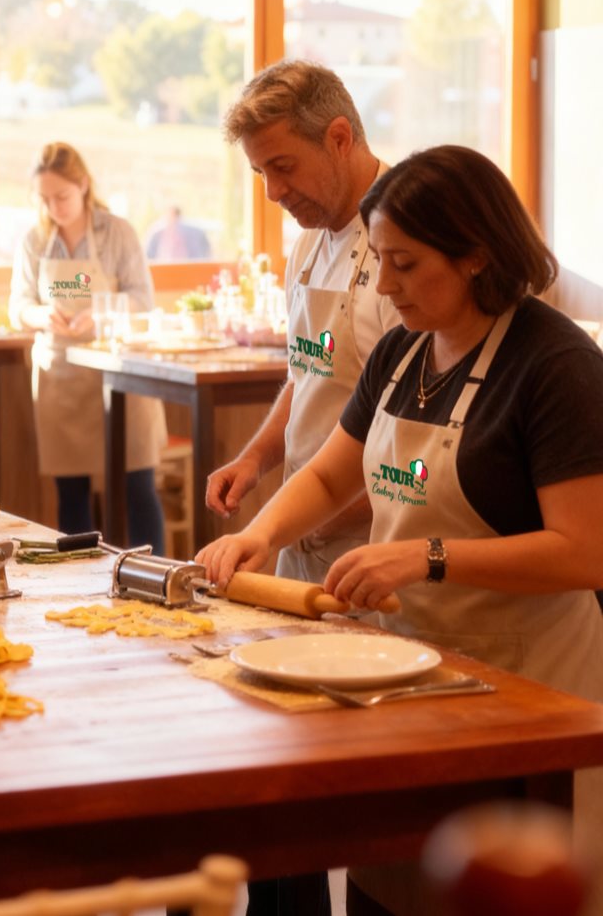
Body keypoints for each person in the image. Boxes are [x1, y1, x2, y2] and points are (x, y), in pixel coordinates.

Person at [195, 145, 603, 916]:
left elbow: (586, 549)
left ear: (477, 254)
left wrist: (431, 555)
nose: (384, 284)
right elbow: (326, 473)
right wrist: (259, 533)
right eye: (379, 260)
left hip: (531, 697)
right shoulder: (401, 349)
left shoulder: (555, 366)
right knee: (395, 891)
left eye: (406, 264)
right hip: (415, 681)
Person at [206, 60, 399, 586]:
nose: (271, 191)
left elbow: (414, 436)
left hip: (379, 547)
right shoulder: (308, 243)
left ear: (339, 138)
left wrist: (303, 517)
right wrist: (256, 459)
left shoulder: (404, 250)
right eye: (260, 172)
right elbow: (307, 374)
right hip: (304, 536)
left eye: (283, 166)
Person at [9, 142, 166, 547]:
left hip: (120, 375)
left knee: (137, 487)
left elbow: (142, 299)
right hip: (61, 376)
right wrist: (43, 315)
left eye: (61, 196)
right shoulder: (34, 241)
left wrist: (102, 313)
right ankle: (78, 587)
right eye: (44, 199)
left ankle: (157, 573)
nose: (54, 207)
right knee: (71, 494)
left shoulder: (118, 233)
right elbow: (20, 306)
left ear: (82, 185)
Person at [144, 205, 211, 261]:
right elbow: (206, 250)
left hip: (169, 268)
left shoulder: (156, 229)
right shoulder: (196, 230)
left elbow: (149, 254)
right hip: (191, 267)